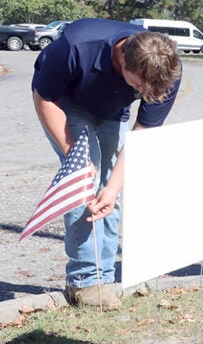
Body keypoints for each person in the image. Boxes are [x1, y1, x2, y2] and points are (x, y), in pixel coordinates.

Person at [31, 18, 182, 309]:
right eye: (138, 85)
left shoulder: (163, 70)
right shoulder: (76, 47)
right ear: (123, 58)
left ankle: (104, 278)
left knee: (112, 188)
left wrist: (113, 188)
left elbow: (143, 134)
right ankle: (84, 282)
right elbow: (44, 97)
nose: (143, 92)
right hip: (66, 101)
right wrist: (75, 154)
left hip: (113, 109)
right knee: (87, 177)